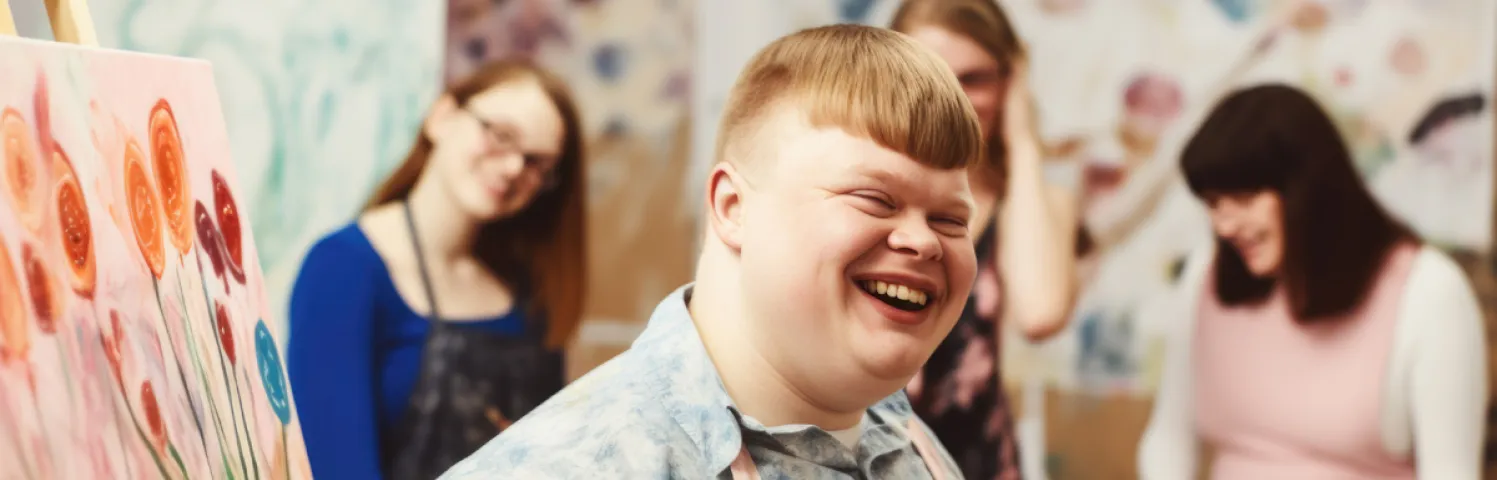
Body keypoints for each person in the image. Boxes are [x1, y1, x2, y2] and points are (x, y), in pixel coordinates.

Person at [441, 24, 983, 478]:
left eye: (950, 220)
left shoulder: (918, 452)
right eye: (875, 199)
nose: (922, 241)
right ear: (732, 207)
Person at [1138, 84, 1487, 479]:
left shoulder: (1429, 292)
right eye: (1214, 203)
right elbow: (1168, 437)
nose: (1225, 226)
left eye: (1245, 199)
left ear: (1308, 189)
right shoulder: (1205, 274)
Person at [285, 59, 587, 480]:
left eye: (537, 162)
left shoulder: (531, 294)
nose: (513, 168)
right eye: (501, 136)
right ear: (442, 117)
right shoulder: (344, 270)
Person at [890, 1, 1080, 477]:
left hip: (981, 463)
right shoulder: (859, 193)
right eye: (931, 76)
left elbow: (1040, 313)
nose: (953, 99)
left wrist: (1024, 143)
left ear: (1008, 83)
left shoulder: (1037, 201)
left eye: (974, 79)